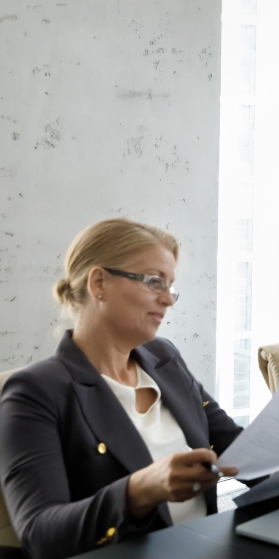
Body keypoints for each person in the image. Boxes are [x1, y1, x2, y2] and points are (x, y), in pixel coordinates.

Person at [0, 219, 245, 558]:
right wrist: (138, 491)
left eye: (170, 286)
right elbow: (41, 532)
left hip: (207, 546)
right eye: (154, 281)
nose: (168, 300)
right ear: (99, 283)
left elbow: (234, 443)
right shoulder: (35, 391)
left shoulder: (164, 358)